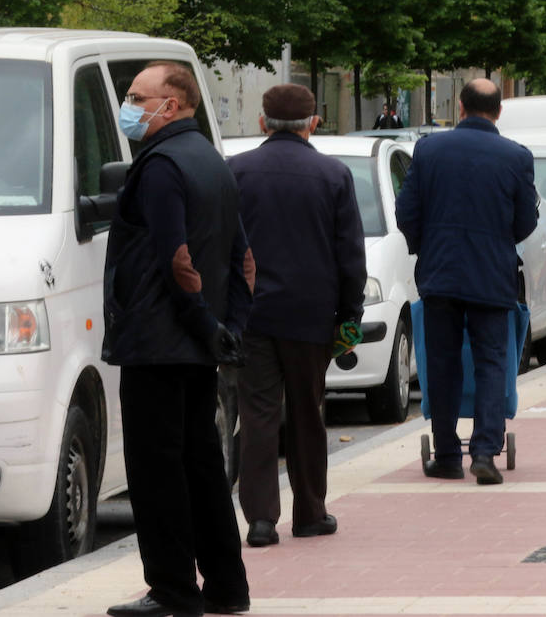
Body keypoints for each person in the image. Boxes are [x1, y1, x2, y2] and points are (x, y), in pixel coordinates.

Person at [101, 61, 252, 617]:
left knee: (157, 469)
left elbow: (174, 257)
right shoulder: (212, 161)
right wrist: (229, 326)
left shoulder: (160, 165)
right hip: (195, 345)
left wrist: (205, 324)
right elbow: (244, 256)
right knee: (202, 464)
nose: (130, 105)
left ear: (174, 104)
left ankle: (171, 590)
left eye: (140, 97)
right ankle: (227, 586)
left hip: (158, 342)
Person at [228, 84, 366, 548]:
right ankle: (310, 512)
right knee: (309, 412)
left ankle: (261, 520)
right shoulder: (333, 175)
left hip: (253, 316)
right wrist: (349, 314)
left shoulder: (237, 172)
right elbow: (350, 254)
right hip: (311, 317)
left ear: (263, 122)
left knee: (258, 415)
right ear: (314, 123)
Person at [396, 79, 538, 484]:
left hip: (440, 273)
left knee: (441, 363)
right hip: (492, 275)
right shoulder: (516, 157)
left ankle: (445, 455)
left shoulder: (429, 149)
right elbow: (526, 221)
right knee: (492, 360)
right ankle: (484, 453)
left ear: (460, 107)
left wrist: (427, 245)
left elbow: (406, 211)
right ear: (498, 111)